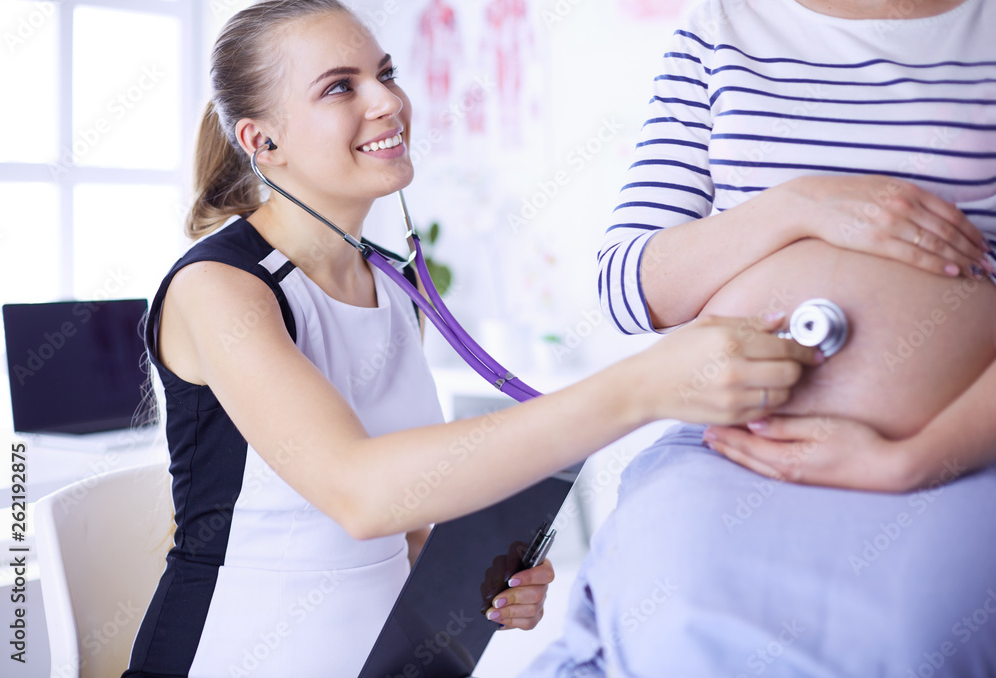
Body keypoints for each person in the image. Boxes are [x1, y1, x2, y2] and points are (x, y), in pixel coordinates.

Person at [120, 2, 820, 676]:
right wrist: (644, 385)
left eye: (386, 73)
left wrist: (476, 576)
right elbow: (360, 493)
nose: (389, 102)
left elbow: (408, 523)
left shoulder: (392, 286)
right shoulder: (222, 289)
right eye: (340, 87)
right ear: (260, 140)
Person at [525, 0, 996, 675]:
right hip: (733, 448)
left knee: (921, 643)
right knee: (675, 624)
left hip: (958, 454)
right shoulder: (721, 26)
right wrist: (799, 205)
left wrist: (914, 461)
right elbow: (627, 287)